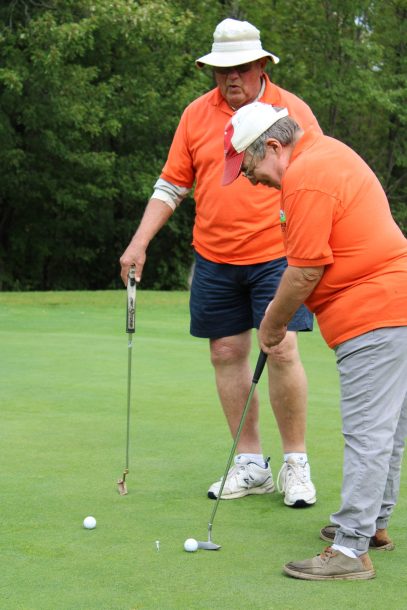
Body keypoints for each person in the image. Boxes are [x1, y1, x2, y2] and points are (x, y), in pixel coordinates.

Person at [120, 18, 322, 507]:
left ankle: (295, 463)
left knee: (283, 350)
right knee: (225, 355)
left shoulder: (291, 110)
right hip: (214, 256)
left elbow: (318, 172)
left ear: (260, 66)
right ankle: (250, 464)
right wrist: (139, 242)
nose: (230, 78)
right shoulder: (195, 115)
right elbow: (172, 185)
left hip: (278, 253)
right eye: (220, 70)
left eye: (241, 67)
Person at [222, 101, 407, 580]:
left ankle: (350, 551)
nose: (250, 180)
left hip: (375, 309)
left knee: (368, 431)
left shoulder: (306, 176)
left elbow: (304, 270)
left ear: (274, 147)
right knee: (386, 429)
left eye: (249, 166)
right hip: (392, 303)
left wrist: (271, 324)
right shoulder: (326, 154)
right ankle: (372, 527)